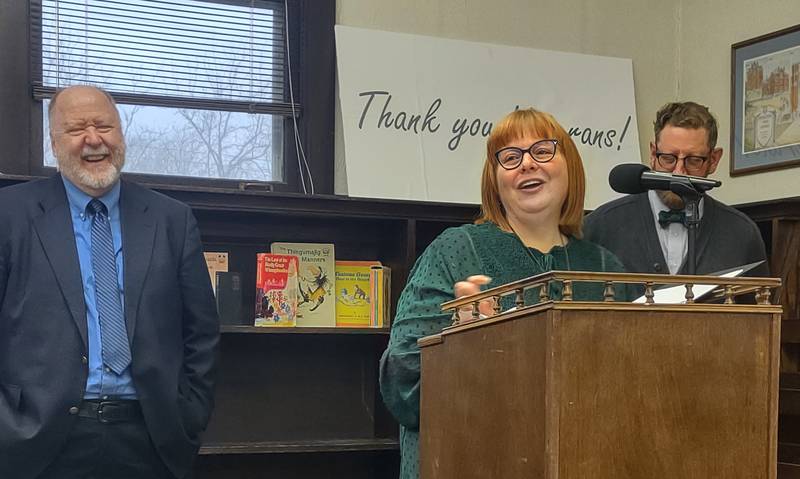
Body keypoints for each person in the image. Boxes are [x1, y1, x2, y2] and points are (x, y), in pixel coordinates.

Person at [379, 108, 628, 479]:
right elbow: (400, 387)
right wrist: (457, 339)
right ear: (495, 181)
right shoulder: (456, 250)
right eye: (510, 158)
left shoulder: (604, 267)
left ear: (570, 166)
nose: (527, 164)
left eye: (542, 151)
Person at [0, 85, 220, 479]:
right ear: (53, 142)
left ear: (121, 134)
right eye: (76, 129)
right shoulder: (9, 216)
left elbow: (201, 332)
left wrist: (190, 414)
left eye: (104, 125)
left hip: (151, 437)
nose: (93, 139)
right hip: (36, 442)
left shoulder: (171, 220)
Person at [584, 101, 768, 276]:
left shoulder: (742, 233)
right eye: (668, 158)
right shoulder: (601, 226)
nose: (678, 172)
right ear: (653, 154)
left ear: (713, 160)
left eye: (693, 160)